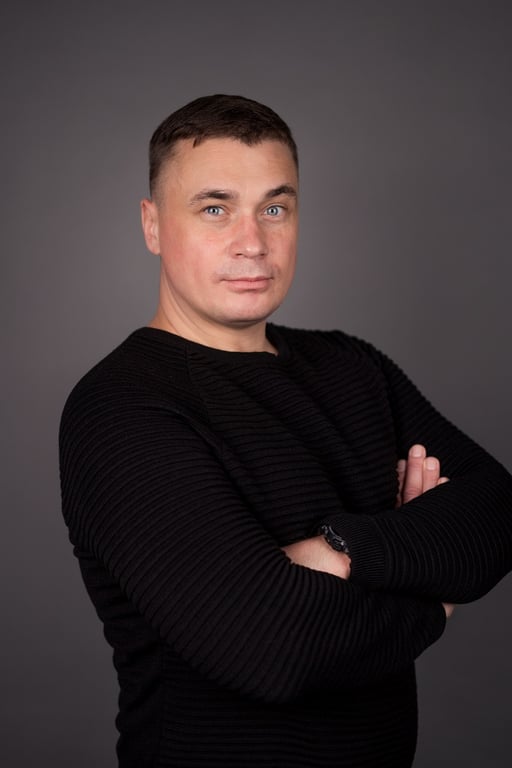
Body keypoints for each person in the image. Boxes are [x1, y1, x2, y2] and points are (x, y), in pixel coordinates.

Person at [59, 94, 512, 768]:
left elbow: (497, 510)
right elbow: (273, 651)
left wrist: (340, 549)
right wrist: (434, 595)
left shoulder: (353, 366)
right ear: (152, 225)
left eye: (275, 209)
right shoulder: (120, 409)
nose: (253, 242)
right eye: (215, 209)